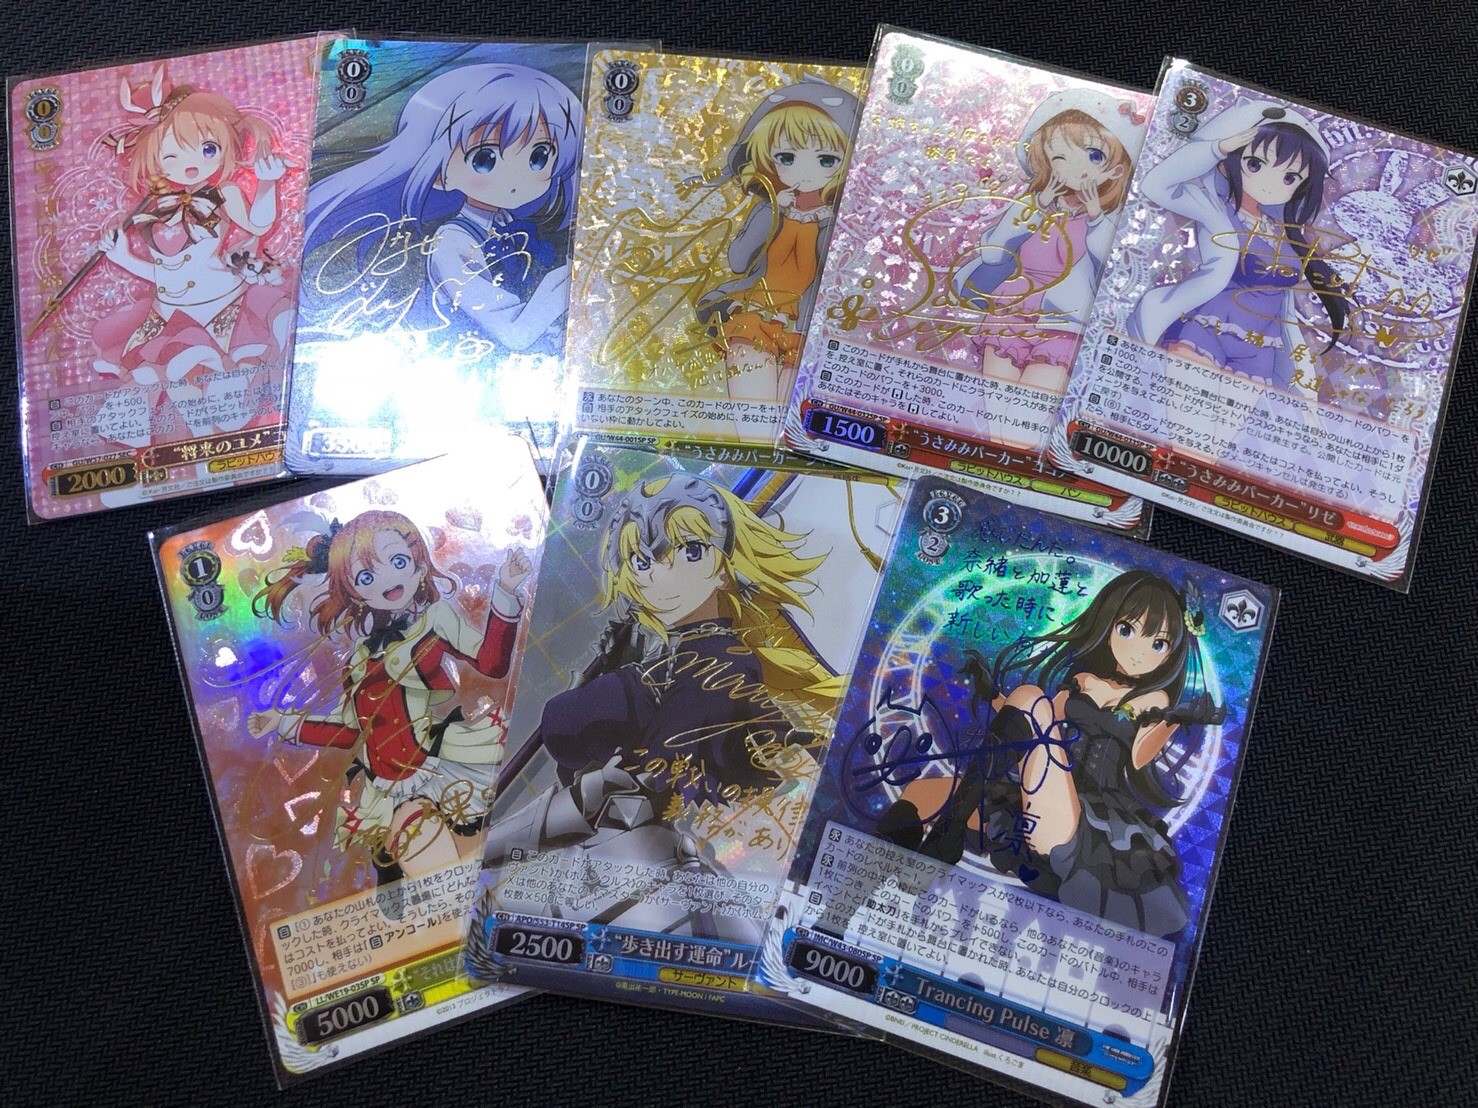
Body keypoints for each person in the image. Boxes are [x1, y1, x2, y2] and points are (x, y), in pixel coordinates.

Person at [246, 510, 530, 895]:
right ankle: (400, 878)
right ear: (354, 591)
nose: (387, 580)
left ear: (418, 563)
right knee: (438, 877)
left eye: (398, 561)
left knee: (456, 872)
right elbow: (350, 731)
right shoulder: (361, 655)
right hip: (383, 789)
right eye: (366, 577)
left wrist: (506, 591)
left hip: (432, 767)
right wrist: (283, 722)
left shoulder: (436, 618)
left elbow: (492, 663)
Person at [951, 88, 1145, 393]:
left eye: (1094, 156)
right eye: (1060, 157)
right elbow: (994, 252)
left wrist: (1096, 218)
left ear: (1117, 169)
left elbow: (1112, 272)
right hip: (1012, 307)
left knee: (1031, 409)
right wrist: (1037, 205)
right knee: (997, 400)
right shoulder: (1035, 205)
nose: (1077, 168)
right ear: (1045, 160)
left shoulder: (1109, 222)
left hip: (1065, 321)